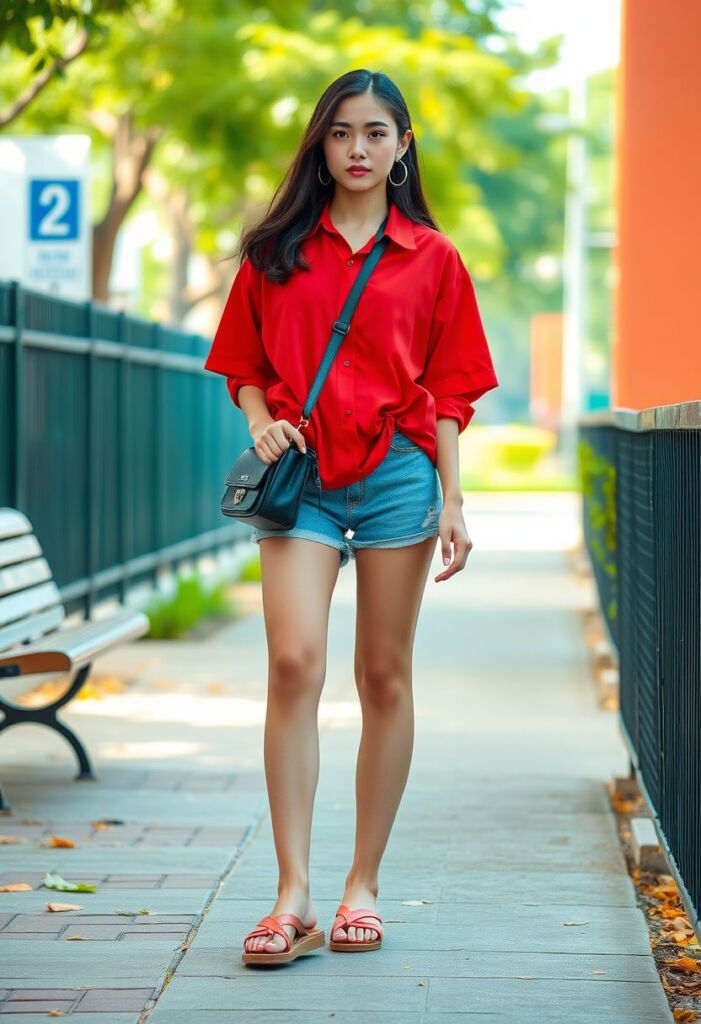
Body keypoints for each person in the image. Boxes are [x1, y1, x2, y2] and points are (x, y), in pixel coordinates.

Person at [204, 68, 499, 965]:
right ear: (319, 145)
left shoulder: (434, 259)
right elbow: (242, 363)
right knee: (293, 662)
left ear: (402, 146)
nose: (358, 149)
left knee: (382, 678)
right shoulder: (275, 250)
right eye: (341, 134)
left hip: (399, 481)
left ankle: (359, 885)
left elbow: (450, 391)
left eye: (375, 133)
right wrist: (261, 423)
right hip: (302, 477)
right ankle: (290, 893)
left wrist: (452, 497)